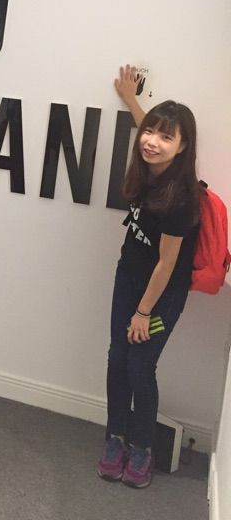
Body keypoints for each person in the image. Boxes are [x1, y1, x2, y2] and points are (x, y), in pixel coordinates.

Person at [97, 64, 201, 488]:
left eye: (166, 137)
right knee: (117, 359)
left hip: (161, 293)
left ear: (183, 147)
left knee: (140, 366)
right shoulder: (148, 166)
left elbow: (167, 264)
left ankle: (141, 447)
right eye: (150, 132)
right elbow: (149, 133)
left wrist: (143, 313)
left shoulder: (182, 198)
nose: (152, 141)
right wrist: (132, 101)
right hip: (128, 276)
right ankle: (115, 438)